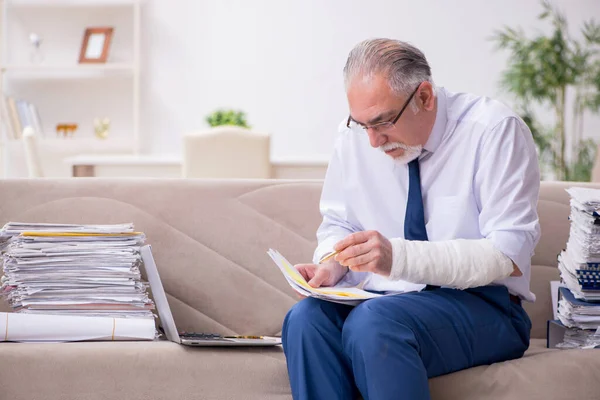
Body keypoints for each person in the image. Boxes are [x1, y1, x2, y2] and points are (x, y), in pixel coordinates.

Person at [281, 38, 540, 400]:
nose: (372, 141)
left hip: (485, 306)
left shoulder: (495, 130)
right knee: (306, 321)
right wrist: (333, 264)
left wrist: (397, 258)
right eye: (362, 124)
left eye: (383, 122)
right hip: (383, 300)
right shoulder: (354, 137)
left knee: (374, 326)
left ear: (425, 97)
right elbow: (339, 223)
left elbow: (507, 256)